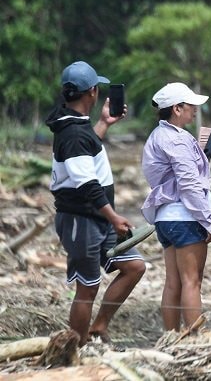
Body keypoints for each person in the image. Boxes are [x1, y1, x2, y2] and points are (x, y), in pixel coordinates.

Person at [47, 61, 146, 346]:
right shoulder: (73, 133)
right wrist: (114, 217)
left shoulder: (76, 125)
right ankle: (75, 349)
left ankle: (98, 327)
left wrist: (103, 124)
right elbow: (87, 184)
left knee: (134, 267)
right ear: (91, 92)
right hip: (82, 220)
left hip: (96, 217)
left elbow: (85, 161)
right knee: (87, 288)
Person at [141, 82, 211, 331]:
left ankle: (171, 336)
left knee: (173, 282)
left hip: (166, 217)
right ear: (177, 108)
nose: (195, 110)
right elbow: (188, 185)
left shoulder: (161, 135)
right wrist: (210, 220)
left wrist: (201, 154)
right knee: (191, 281)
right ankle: (194, 338)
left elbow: (177, 175)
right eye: (191, 106)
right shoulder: (176, 140)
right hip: (185, 216)